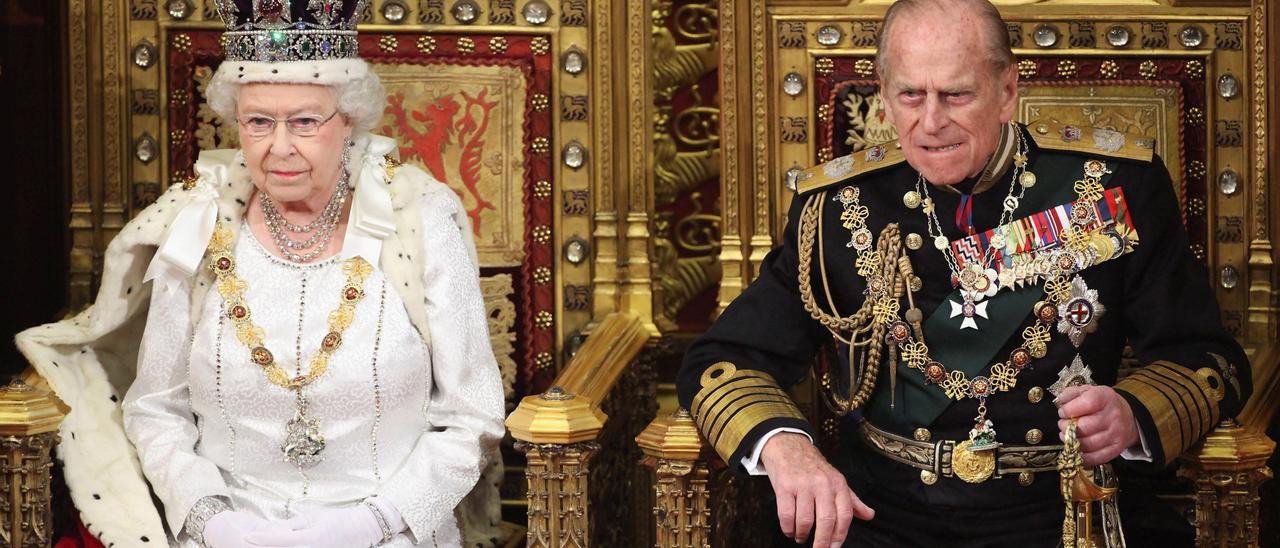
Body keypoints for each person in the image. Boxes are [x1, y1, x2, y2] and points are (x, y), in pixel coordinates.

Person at [676, 0, 1250, 546]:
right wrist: (786, 447)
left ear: (1006, 92)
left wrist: (1132, 415)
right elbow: (723, 362)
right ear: (883, 95)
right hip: (880, 517)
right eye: (910, 95)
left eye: (955, 94)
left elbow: (1208, 360)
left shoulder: (1114, 187)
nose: (931, 122)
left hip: (1061, 515)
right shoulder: (835, 207)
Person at [15, 1, 505, 546]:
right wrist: (209, 519)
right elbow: (157, 409)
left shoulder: (419, 216)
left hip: (392, 529)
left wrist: (371, 522)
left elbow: (472, 418)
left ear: (349, 122)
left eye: (304, 121)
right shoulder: (199, 221)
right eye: (258, 122)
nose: (278, 147)